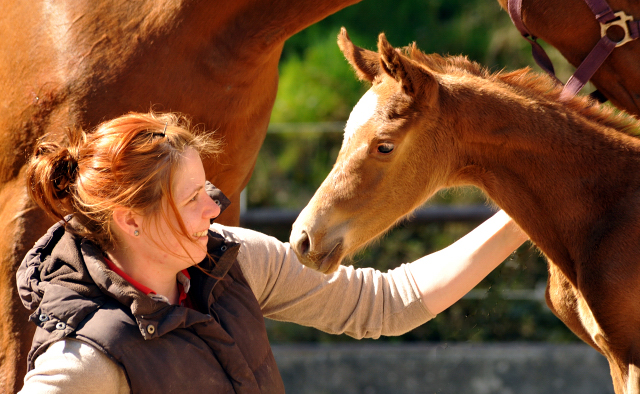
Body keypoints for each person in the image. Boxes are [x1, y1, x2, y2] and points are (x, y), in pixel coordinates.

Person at [17, 111, 528, 393]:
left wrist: (524, 216)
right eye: (192, 200)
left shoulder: (233, 260)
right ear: (130, 219)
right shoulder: (85, 363)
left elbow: (388, 302)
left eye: (209, 191)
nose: (214, 210)